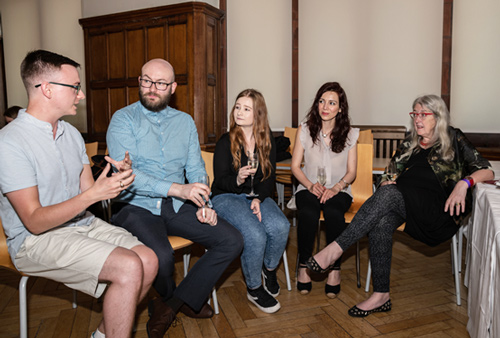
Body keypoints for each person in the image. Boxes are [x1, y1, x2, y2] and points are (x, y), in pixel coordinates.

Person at [0, 50, 158, 338]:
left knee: (149, 260)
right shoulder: (10, 143)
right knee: (128, 266)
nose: (81, 94)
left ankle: (102, 335)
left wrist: (115, 180)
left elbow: (89, 191)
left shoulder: (71, 134)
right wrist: (94, 194)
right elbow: (34, 221)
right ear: (46, 89)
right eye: (74, 87)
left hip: (80, 224)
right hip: (34, 240)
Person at [307, 94, 494, 317]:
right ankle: (381, 295)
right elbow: (386, 175)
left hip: (438, 211)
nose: (417, 119)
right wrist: (385, 180)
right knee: (382, 221)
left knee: (388, 195)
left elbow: (487, 170)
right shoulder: (409, 143)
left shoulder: (454, 138)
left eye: (423, 114)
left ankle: (335, 249)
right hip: (405, 205)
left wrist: (465, 183)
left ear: (438, 117)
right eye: (415, 114)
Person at [106, 58, 244, 337]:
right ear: (139, 81)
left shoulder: (185, 122)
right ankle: (183, 301)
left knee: (232, 240)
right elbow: (128, 177)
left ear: (173, 87)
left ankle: (170, 304)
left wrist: (204, 203)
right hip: (134, 206)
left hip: (177, 205)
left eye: (160, 83)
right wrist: (179, 189)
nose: (152, 88)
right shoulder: (123, 119)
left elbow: (195, 169)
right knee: (162, 258)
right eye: (146, 80)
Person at [211, 89, 290, 314]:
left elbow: (269, 176)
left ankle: (270, 269)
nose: (240, 112)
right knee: (255, 233)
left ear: (258, 114)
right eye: (237, 107)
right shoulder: (225, 142)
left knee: (280, 226)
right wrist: (237, 179)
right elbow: (221, 180)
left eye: (246, 109)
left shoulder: (267, 142)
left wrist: (259, 198)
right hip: (226, 196)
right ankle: (254, 287)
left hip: (255, 195)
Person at [291, 82, 358, 298]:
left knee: (333, 212)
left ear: (340, 108)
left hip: (338, 191)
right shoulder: (304, 130)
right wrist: (310, 185)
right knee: (308, 213)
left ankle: (334, 269)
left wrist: (337, 188)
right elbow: (294, 167)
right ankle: (303, 267)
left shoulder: (350, 134)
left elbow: (352, 172)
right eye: (322, 101)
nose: (325, 107)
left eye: (332, 103)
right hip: (308, 187)